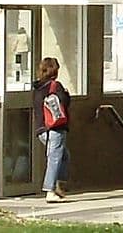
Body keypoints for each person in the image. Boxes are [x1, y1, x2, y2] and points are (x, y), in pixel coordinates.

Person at [33, 57, 71, 203]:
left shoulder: (38, 87)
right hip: (55, 127)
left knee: (64, 155)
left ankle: (59, 184)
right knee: (55, 157)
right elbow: (64, 102)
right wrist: (66, 95)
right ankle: (50, 190)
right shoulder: (55, 86)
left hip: (41, 128)